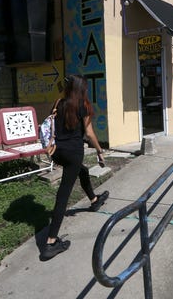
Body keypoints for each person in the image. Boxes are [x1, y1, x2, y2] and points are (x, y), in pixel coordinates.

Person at [40, 74, 109, 261]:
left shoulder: (58, 103)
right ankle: (50, 243)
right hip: (73, 153)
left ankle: (94, 200)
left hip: (57, 152)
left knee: (82, 170)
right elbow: (89, 133)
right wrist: (99, 150)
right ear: (82, 89)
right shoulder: (84, 106)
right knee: (64, 193)